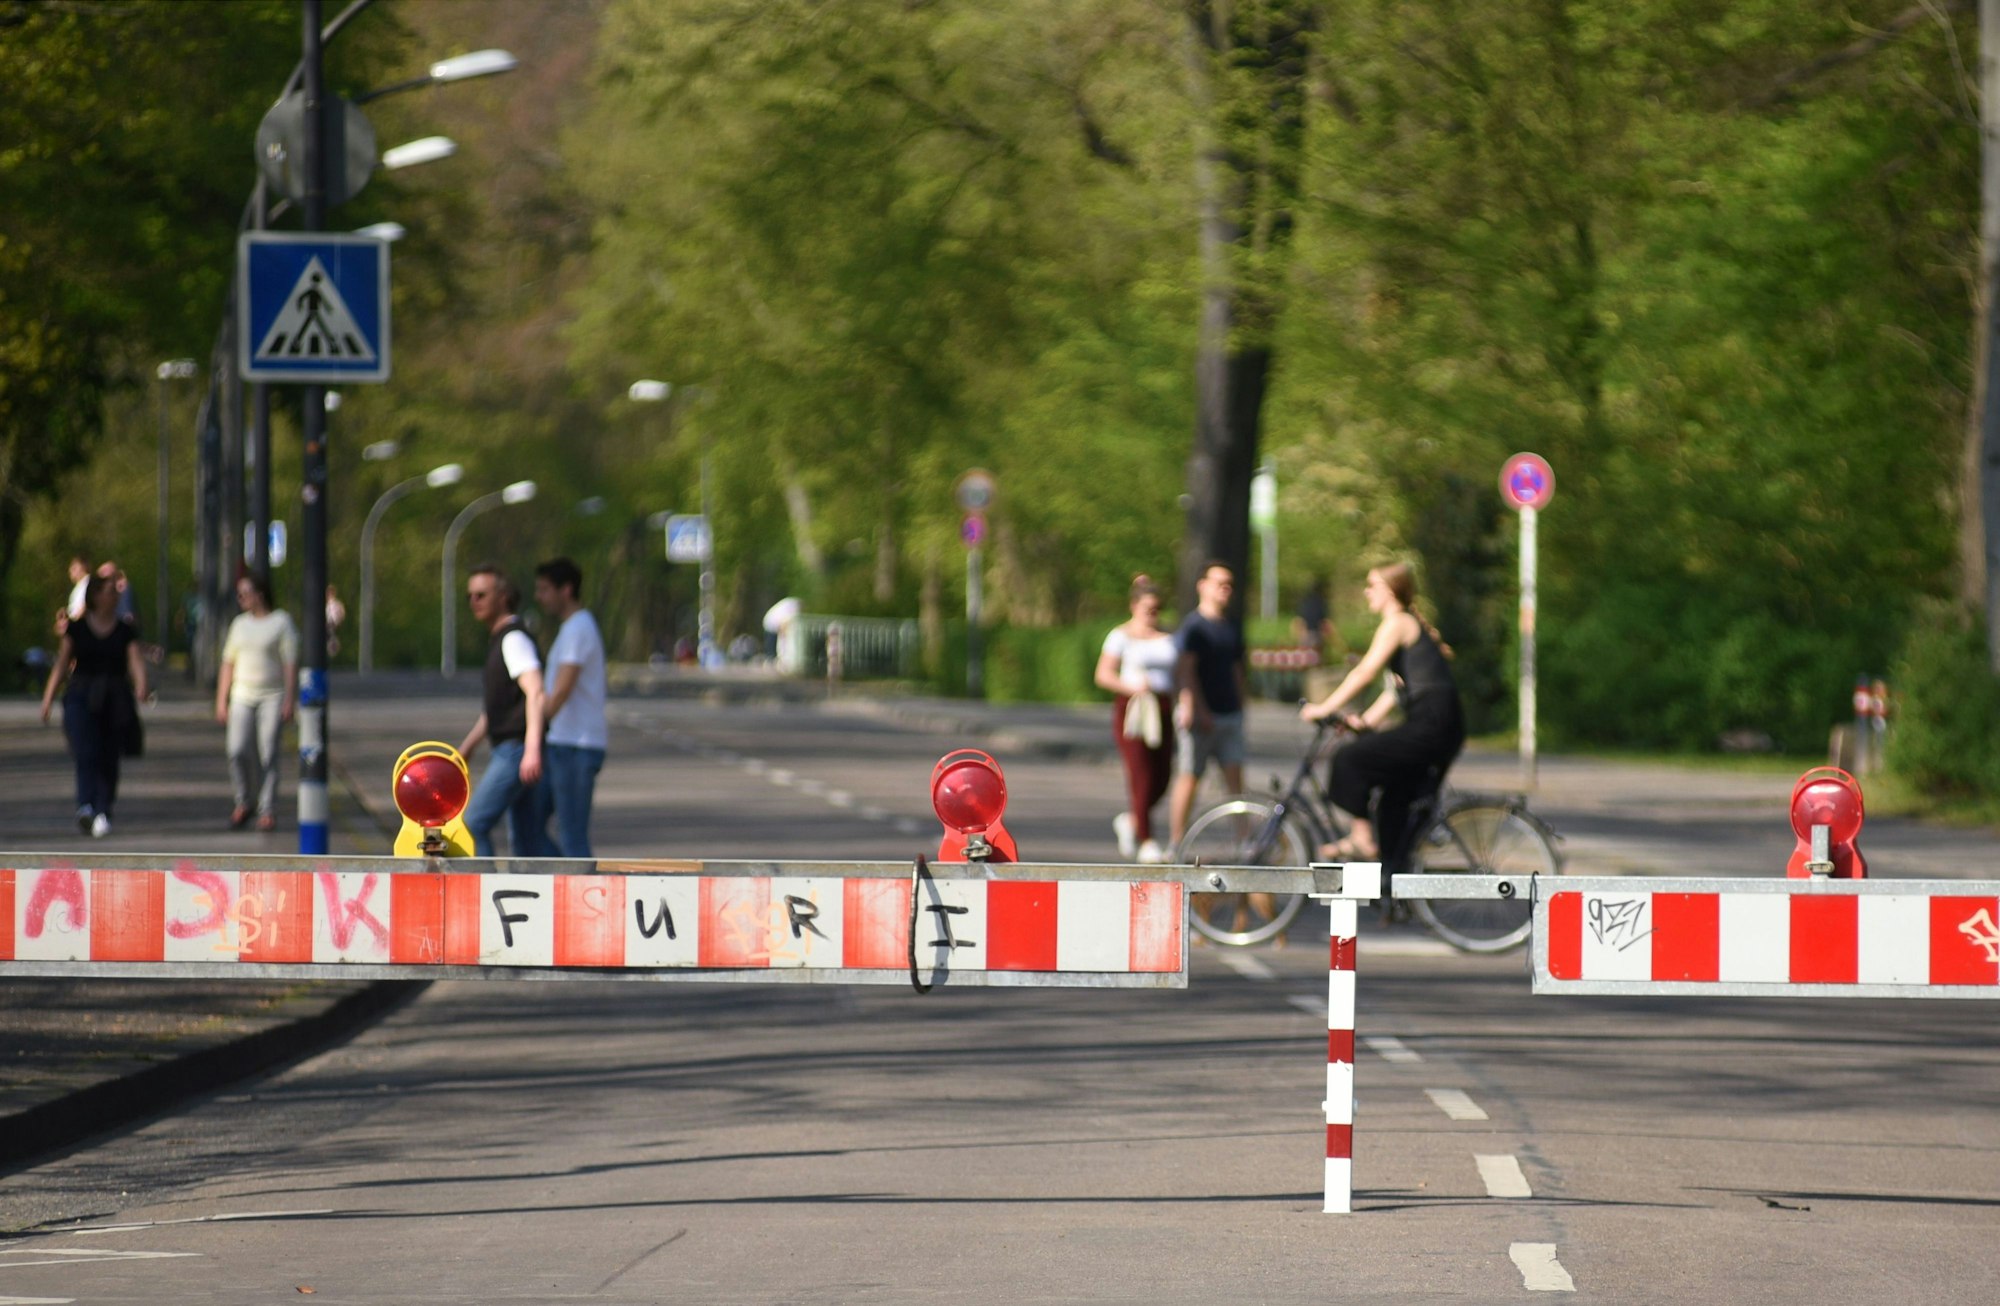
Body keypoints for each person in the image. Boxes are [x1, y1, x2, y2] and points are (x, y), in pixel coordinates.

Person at [1300, 562, 1465, 863]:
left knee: (1350, 759)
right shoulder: (1406, 624)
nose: (1366, 592)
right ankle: (1394, 883)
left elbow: (1364, 672)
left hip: (1433, 722)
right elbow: (1394, 693)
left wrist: (1323, 707)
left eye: (1371, 585)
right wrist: (1364, 723)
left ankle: (1360, 839)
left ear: (1390, 591)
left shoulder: (1398, 622)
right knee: (1393, 804)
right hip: (1438, 723)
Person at [39, 573, 148, 838]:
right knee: (86, 751)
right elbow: (62, 663)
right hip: (81, 694)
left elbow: (134, 659)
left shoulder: (124, 629)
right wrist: (48, 698)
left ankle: (103, 809)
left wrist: (142, 684)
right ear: (96, 595)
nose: (116, 595)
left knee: (109, 754)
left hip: (114, 696)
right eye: (111, 590)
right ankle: (85, 806)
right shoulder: (76, 628)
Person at [458, 565, 547, 856]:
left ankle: (483, 896)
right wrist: (468, 746)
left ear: (504, 596)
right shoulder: (502, 639)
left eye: (482, 594)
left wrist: (531, 749)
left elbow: (535, 691)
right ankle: (571, 891)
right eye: (470, 596)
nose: (474, 601)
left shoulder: (513, 639)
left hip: (516, 751)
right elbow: (498, 707)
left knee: (473, 824)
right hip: (514, 749)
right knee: (528, 840)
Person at [1094, 575, 1178, 863]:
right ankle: (1147, 840)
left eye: (1156, 609)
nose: (1152, 615)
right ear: (1134, 606)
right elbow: (1103, 674)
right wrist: (1131, 687)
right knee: (1140, 774)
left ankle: (1131, 820)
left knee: (1163, 775)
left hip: (1164, 707)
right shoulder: (1120, 636)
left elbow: (1180, 673)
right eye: (1147, 608)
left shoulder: (1168, 636)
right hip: (1134, 708)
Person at [1167, 561, 1248, 850]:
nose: (1225, 589)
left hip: (1229, 714)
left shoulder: (1231, 626)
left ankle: (1244, 842)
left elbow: (1237, 668)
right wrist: (1194, 708)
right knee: (1190, 777)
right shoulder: (1194, 627)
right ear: (1202, 585)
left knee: (1235, 782)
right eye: (1219, 582)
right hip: (1202, 716)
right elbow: (1185, 671)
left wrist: (1241, 704)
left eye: (1229, 584)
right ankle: (1176, 843)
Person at [531, 557, 608, 858]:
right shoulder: (572, 628)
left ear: (567, 590)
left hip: (577, 746)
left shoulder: (578, 628)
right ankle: (556, 886)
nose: (539, 597)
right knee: (531, 826)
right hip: (563, 744)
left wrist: (535, 728)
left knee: (572, 836)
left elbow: (562, 689)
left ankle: (582, 898)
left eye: (545, 589)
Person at [215, 573, 298, 832]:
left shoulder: (281, 622)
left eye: (245, 592)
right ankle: (243, 800)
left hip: (271, 695)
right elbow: (228, 663)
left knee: (268, 751)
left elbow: (289, 664)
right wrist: (222, 699)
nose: (240, 598)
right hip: (242, 694)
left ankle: (267, 808)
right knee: (237, 749)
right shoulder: (239, 625)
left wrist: (289, 698)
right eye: (238, 593)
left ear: (259, 594)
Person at [325, 584, 347, 658]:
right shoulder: (327, 604)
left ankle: (332, 648)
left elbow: (342, 613)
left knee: (330, 634)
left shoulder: (336, 604)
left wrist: (339, 620)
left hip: (333, 623)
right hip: (329, 623)